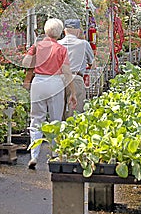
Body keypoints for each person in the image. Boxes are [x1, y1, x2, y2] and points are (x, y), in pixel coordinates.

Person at [22, 18, 77, 169]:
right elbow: (66, 72)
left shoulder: (37, 46)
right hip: (55, 83)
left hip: (38, 82)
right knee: (55, 120)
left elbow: (26, 63)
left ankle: (34, 155)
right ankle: (54, 154)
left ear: (46, 31)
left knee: (36, 120)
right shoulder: (61, 49)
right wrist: (72, 92)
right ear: (59, 33)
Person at [59, 18, 95, 118]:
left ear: (64, 30)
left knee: (58, 111)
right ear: (78, 30)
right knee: (75, 112)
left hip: (59, 79)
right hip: (76, 78)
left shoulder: (58, 44)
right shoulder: (84, 44)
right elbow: (93, 64)